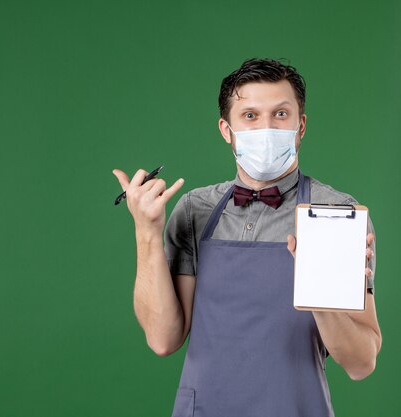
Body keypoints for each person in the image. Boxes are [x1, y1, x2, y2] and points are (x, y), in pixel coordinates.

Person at [112, 58, 382, 417]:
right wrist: (145, 231)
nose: (266, 128)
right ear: (227, 129)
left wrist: (318, 288)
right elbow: (163, 339)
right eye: (250, 116)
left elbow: (361, 362)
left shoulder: (336, 214)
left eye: (281, 114)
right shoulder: (195, 210)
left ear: (301, 126)